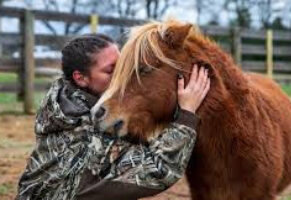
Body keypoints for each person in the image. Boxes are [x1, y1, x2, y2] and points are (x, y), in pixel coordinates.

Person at [16, 33, 210, 200]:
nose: (122, 77)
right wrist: (186, 113)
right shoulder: (86, 135)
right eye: (111, 71)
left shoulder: (64, 106)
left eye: (123, 66)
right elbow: (158, 170)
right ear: (80, 78)